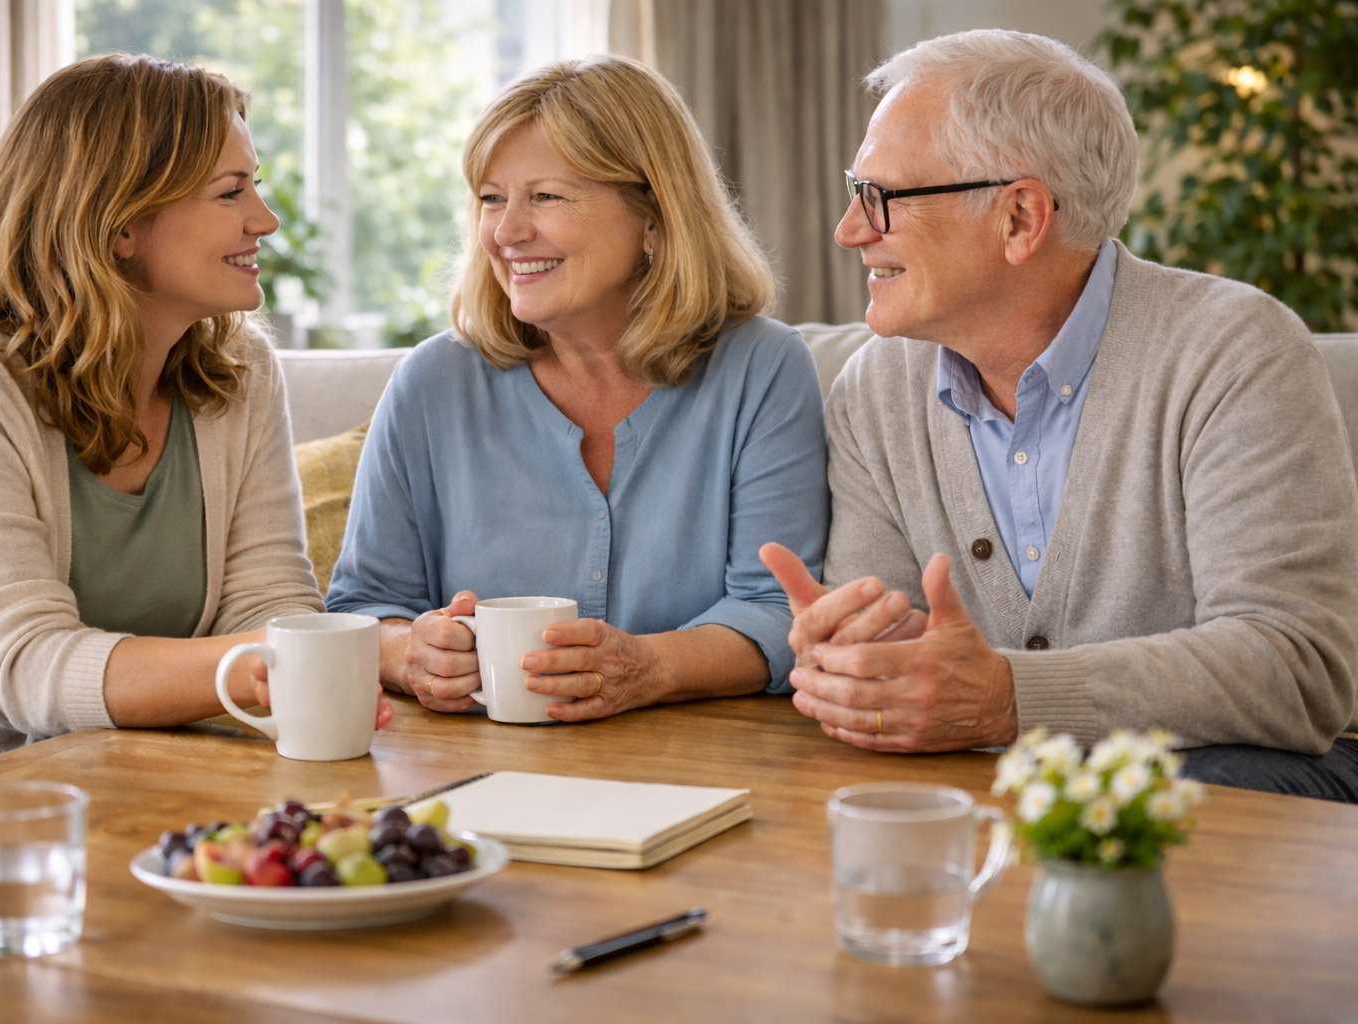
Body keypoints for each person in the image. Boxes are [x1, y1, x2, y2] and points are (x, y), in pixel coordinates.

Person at [760, 30, 1358, 800]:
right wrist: (866, 663)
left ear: (1020, 218)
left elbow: (1298, 668)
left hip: (1239, 782)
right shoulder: (876, 387)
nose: (850, 229)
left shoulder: (1235, 350)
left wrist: (1008, 696)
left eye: (881, 197)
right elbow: (907, 637)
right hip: (990, 787)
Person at [0, 55, 391, 810]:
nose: (265, 218)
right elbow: (22, 665)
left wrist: (317, 664)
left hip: (134, 746)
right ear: (121, 223)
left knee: (347, 816)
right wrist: (277, 661)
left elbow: (269, 606)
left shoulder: (239, 371)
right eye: (232, 191)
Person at [325, 55, 829, 722]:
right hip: (468, 768)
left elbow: (777, 610)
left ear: (654, 217)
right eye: (491, 198)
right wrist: (409, 653)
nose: (505, 233)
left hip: (705, 763)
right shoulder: (431, 383)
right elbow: (364, 605)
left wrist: (651, 669)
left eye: (546, 196)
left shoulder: (762, 369)